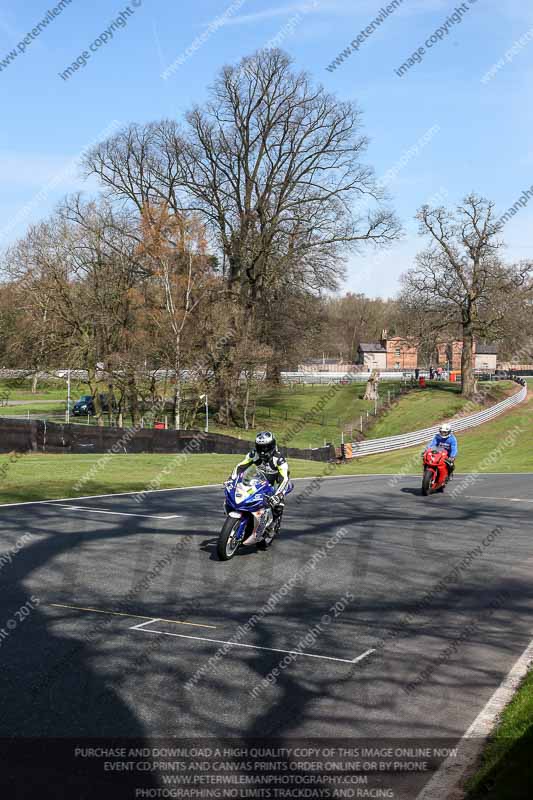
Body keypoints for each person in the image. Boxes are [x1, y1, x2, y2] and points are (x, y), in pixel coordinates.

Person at [230, 431, 290, 550]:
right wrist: (231, 480)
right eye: (260, 447)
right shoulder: (253, 454)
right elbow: (240, 466)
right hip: (259, 480)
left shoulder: (279, 459)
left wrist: (278, 495)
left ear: (272, 446)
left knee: (277, 505)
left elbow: (284, 479)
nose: (263, 450)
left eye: (266, 447)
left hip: (277, 483)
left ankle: (272, 527)